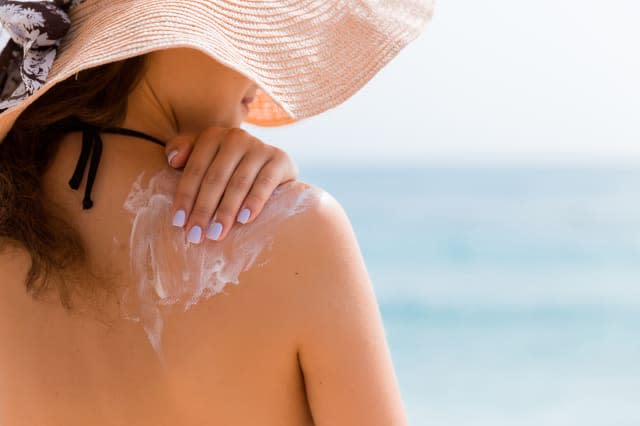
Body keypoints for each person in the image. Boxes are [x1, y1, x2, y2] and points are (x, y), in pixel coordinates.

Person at [0, 1, 433, 425]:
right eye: (244, 32)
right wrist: (287, 208)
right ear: (171, 31)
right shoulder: (297, 231)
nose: (259, 79)